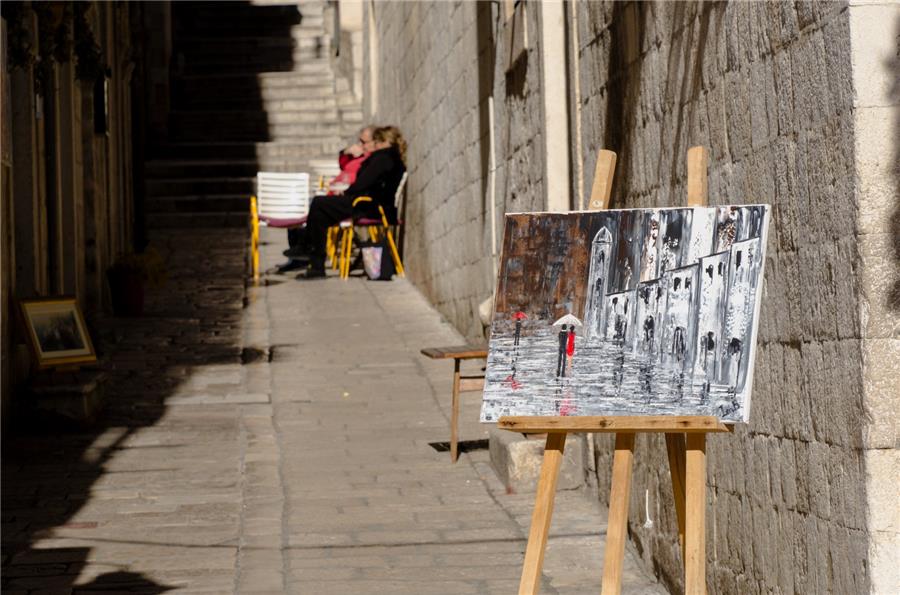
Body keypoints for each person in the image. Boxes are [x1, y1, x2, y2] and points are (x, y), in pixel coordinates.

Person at [298, 126, 407, 279]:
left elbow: (364, 182)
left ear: (383, 142)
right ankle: (314, 262)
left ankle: (307, 250)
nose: (373, 145)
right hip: (370, 204)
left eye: (375, 141)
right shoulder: (389, 158)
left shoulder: (382, 158)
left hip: (368, 206)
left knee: (319, 203)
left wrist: (346, 192)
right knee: (320, 212)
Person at [277, 127, 375, 272]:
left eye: (363, 141)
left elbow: (360, 183)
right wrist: (346, 152)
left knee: (313, 208)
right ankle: (300, 255)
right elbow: (343, 164)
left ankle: (306, 252)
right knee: (300, 208)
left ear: (374, 142)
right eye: (359, 141)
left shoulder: (371, 160)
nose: (360, 144)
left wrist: (344, 190)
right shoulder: (359, 157)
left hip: (347, 199)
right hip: (337, 195)